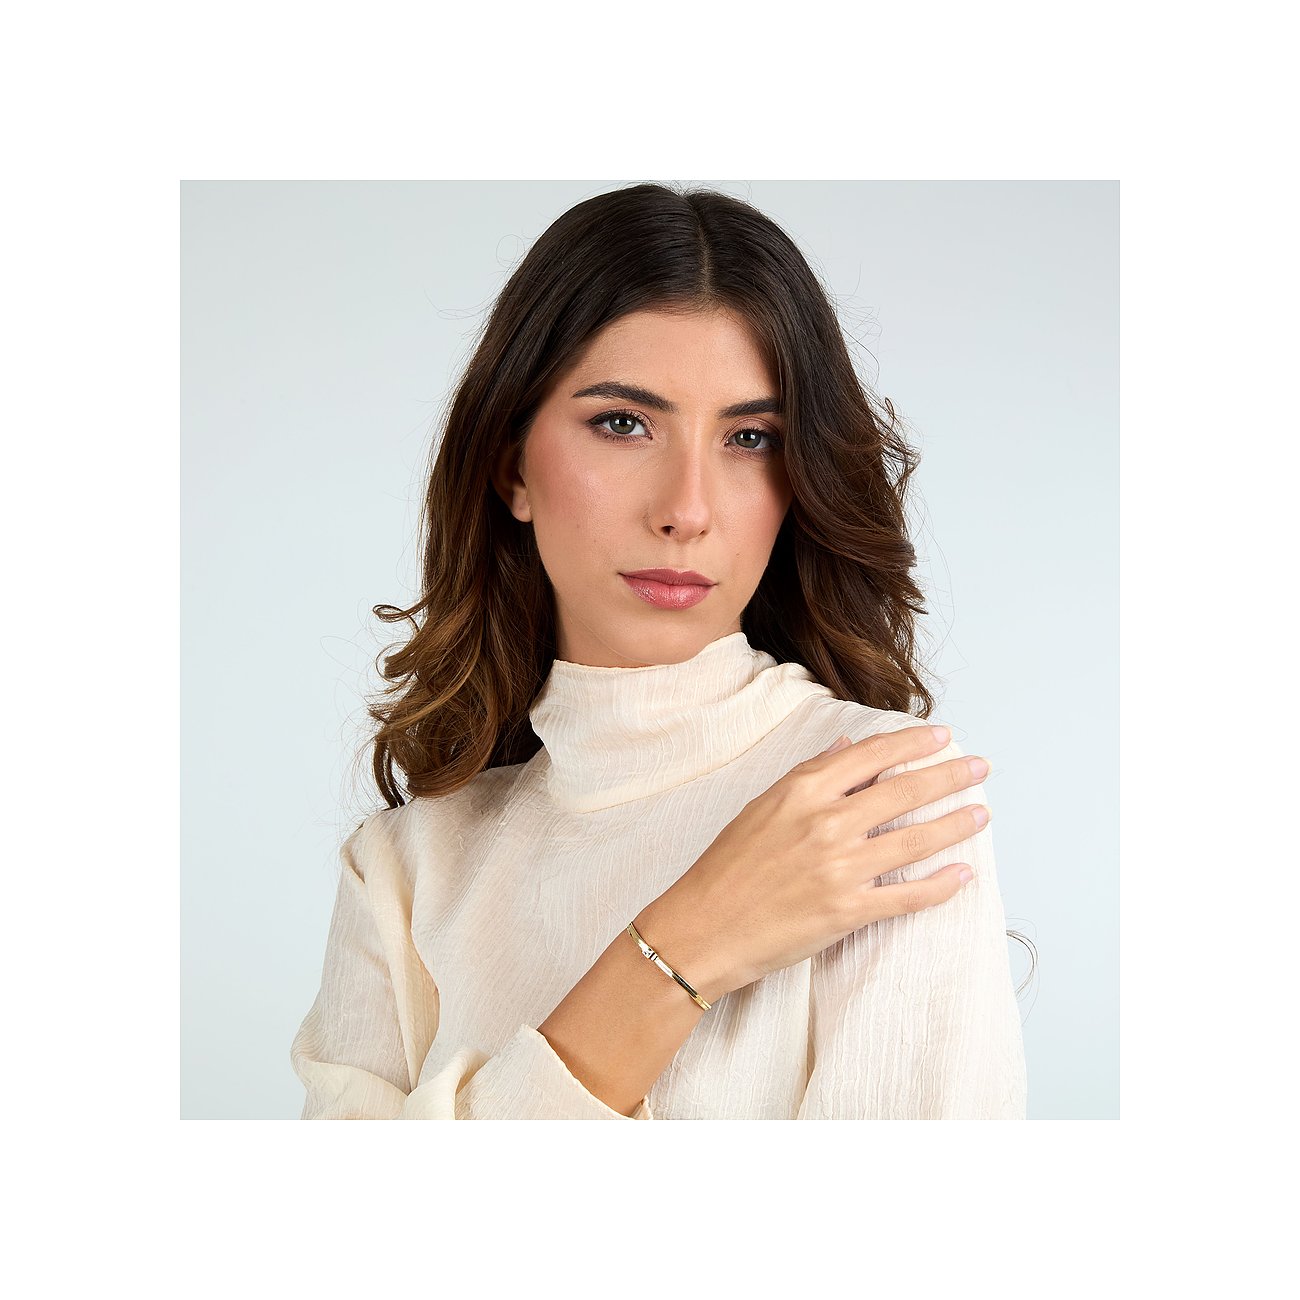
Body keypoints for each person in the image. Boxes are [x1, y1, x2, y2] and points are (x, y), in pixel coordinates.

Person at [289, 182, 1029, 1120]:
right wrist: (685, 945)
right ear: (512, 467)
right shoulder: (404, 867)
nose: (687, 509)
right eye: (623, 423)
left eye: (750, 438)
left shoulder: (874, 805)